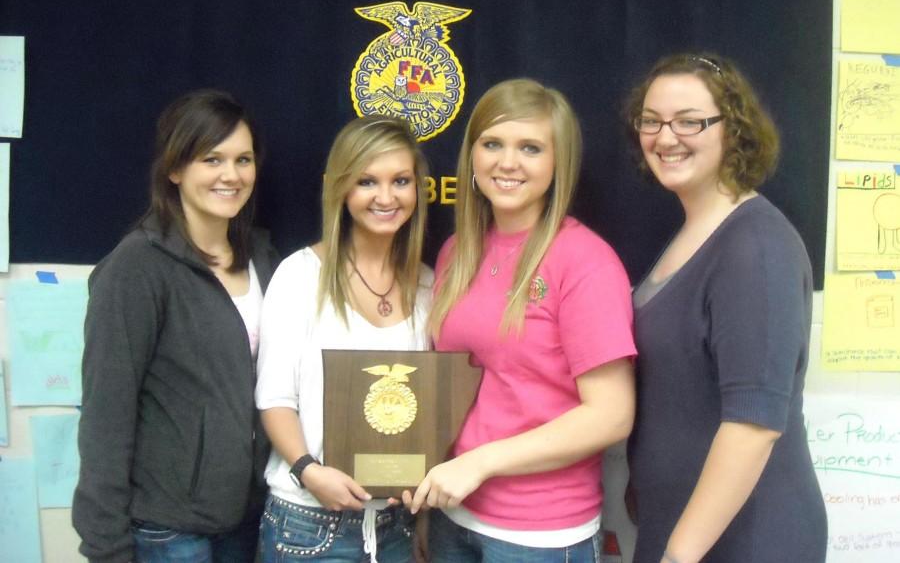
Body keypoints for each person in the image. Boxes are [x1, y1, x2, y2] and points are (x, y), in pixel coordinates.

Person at [408, 78, 637, 562]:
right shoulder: (456, 253)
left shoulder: (584, 261)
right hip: (454, 516)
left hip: (540, 535)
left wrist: (481, 463)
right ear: (472, 156)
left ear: (558, 164)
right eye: (492, 144)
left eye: (530, 148)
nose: (507, 162)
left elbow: (612, 414)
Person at [624, 53, 827, 563]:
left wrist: (681, 553)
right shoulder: (693, 232)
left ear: (732, 128)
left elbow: (754, 424)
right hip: (681, 530)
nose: (666, 137)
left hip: (746, 539)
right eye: (652, 121)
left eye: (690, 121)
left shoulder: (756, 247)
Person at [73, 89, 279, 563]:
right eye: (212, 158)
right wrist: (105, 545)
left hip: (249, 519)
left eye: (243, 159)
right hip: (169, 531)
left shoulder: (265, 262)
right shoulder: (137, 267)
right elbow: (106, 414)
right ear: (175, 168)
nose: (231, 175)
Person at [255, 114, 432, 562]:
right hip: (308, 524)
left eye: (401, 180)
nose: (386, 197)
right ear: (341, 188)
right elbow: (275, 399)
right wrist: (308, 471)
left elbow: (428, 409)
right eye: (367, 181)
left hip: (396, 527)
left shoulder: (430, 285)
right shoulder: (300, 276)